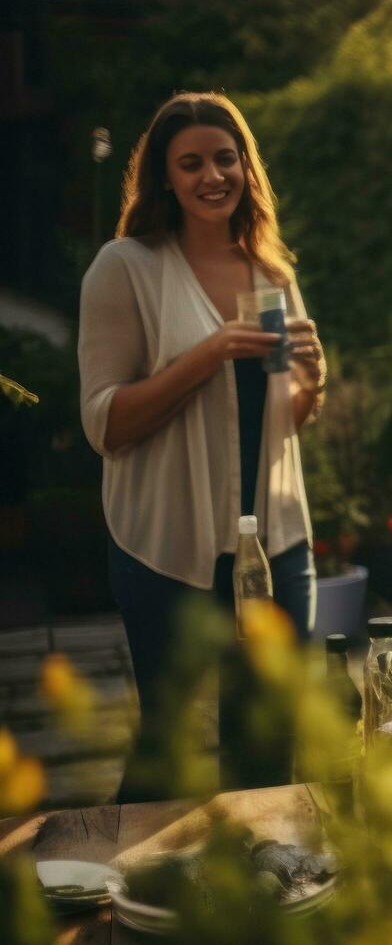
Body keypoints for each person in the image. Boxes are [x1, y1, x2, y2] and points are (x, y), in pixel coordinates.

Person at [78, 92, 325, 801]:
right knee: (167, 746)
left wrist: (315, 378)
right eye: (191, 163)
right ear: (163, 177)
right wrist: (210, 351)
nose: (212, 176)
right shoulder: (125, 268)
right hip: (168, 547)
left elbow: (285, 417)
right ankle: (137, 898)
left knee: (269, 741)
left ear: (247, 167)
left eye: (226, 158)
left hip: (275, 544)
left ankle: (261, 898)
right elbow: (105, 424)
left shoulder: (273, 273)